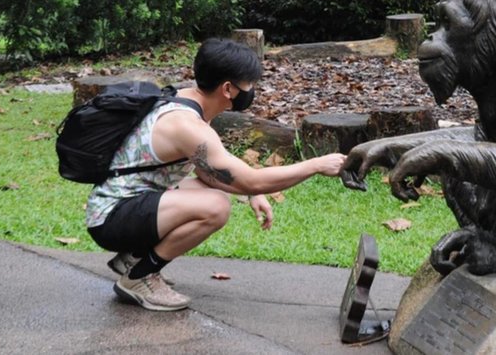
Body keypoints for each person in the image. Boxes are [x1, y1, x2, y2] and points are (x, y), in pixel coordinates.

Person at [85, 38, 345, 311]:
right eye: (249, 85)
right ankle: (140, 277)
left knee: (210, 192)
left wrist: (251, 192)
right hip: (110, 218)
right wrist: (315, 165)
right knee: (216, 206)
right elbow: (249, 178)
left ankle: (133, 258)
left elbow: (209, 174)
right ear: (228, 89)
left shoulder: (186, 100)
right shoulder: (188, 125)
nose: (251, 91)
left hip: (122, 204)